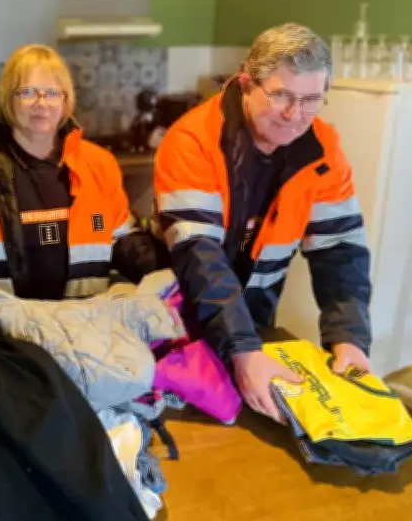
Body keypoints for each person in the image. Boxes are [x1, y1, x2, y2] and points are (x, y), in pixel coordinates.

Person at [154, 23, 372, 423]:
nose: (294, 115)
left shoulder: (323, 149)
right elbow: (200, 257)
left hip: (255, 321)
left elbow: (340, 251)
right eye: (281, 95)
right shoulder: (193, 140)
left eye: (311, 100)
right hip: (177, 324)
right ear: (246, 83)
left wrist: (349, 339)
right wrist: (242, 348)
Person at [0, 44, 164, 298]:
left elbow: (122, 240)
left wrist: (168, 268)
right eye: (28, 92)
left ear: (66, 100)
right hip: (3, 330)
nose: (41, 103)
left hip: (84, 327)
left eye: (52, 92)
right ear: (8, 99)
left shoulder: (99, 164)